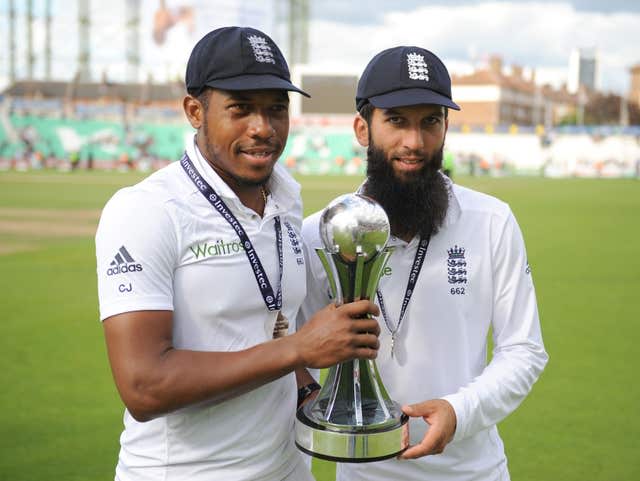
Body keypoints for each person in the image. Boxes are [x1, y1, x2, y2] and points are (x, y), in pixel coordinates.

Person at [95, 26, 381, 481]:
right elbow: (143, 386)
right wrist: (298, 349)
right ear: (195, 110)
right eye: (240, 108)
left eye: (276, 109)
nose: (262, 128)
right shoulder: (147, 210)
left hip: (288, 469)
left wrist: (309, 388)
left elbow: (264, 326)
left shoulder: (286, 201)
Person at [297, 46, 548, 481]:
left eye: (430, 121)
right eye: (396, 120)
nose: (414, 142)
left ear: (446, 127)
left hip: (474, 472)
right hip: (363, 473)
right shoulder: (318, 234)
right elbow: (290, 349)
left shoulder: (492, 221)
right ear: (362, 128)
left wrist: (459, 410)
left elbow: (524, 349)